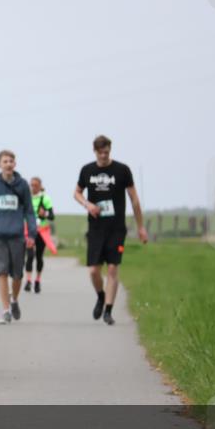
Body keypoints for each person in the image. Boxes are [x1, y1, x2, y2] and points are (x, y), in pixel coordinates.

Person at [73, 135, 148, 326]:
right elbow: (76, 193)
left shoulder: (122, 170)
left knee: (113, 268)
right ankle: (100, 295)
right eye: (101, 153)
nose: (104, 156)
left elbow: (134, 199)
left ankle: (108, 310)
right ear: (95, 151)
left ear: (110, 150)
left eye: (107, 152)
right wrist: (87, 204)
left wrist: (140, 226)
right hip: (96, 228)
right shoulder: (87, 170)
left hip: (116, 228)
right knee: (93, 271)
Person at [0, 150, 36, 324]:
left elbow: (29, 211)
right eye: (5, 161)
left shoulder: (23, 186)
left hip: (17, 236)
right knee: (2, 273)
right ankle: (5, 310)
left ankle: (14, 300)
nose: (8, 164)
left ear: (15, 164)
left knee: (17, 275)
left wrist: (32, 234)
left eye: (11, 161)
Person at [24, 177, 54, 293]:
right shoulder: (27, 198)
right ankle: (28, 281)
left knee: (39, 256)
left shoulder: (45, 198)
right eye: (31, 185)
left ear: (40, 186)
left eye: (35, 185)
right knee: (30, 255)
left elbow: (52, 216)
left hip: (42, 230)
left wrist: (45, 213)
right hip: (29, 231)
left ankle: (37, 280)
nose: (33, 187)